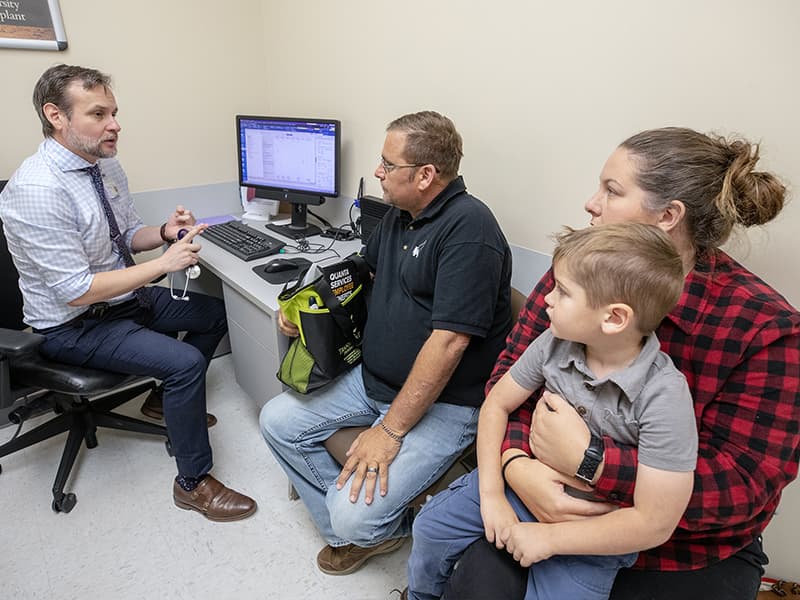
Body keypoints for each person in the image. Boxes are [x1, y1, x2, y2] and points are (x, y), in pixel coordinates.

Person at [442, 127, 800, 600]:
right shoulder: (582, 273)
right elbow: (510, 379)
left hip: (685, 545)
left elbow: (742, 485)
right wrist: (515, 465)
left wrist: (593, 465)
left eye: (612, 191)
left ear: (668, 216)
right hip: (543, 497)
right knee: (475, 584)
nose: (592, 203)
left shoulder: (766, 329)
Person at [260, 111, 512, 575]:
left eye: (386, 163)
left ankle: (370, 527)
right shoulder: (403, 215)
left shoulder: (470, 230)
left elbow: (450, 342)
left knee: (353, 513)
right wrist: (304, 302)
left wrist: (390, 431)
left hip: (446, 403)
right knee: (276, 420)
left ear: (425, 175)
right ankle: (353, 534)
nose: (377, 171)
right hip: (373, 380)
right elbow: (363, 267)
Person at [0, 64, 256, 521]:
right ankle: (193, 482)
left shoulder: (102, 162)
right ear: (56, 116)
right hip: (73, 324)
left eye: (114, 112)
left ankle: (161, 401)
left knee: (214, 315)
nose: (114, 124)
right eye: (98, 113)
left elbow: (122, 235)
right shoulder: (38, 189)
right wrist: (163, 264)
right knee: (186, 363)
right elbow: (76, 291)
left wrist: (163, 232)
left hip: (120, 300)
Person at [406, 223, 697, 600]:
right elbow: (497, 403)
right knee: (430, 528)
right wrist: (492, 494)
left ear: (613, 318)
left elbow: (656, 522)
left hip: (591, 534)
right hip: (515, 490)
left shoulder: (665, 396)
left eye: (564, 291)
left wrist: (550, 538)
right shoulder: (554, 343)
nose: (547, 299)